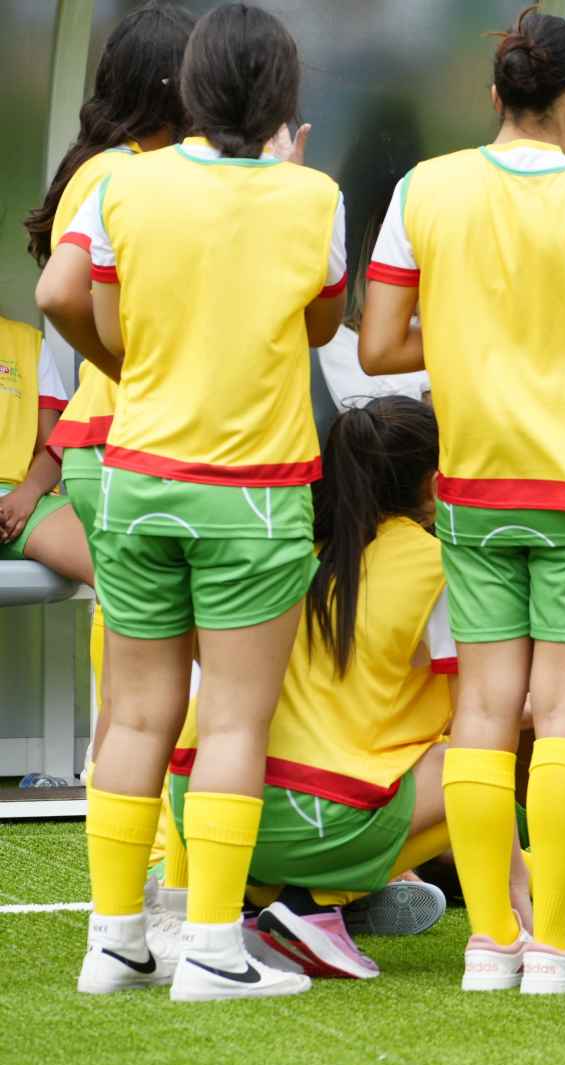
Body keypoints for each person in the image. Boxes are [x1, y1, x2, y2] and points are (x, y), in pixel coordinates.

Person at [37, 2, 345, 1001]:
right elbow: (322, 322)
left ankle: (113, 943)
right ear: (283, 100)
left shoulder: (124, 182)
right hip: (252, 494)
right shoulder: (313, 196)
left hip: (133, 480)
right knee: (233, 724)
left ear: (194, 86)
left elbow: (59, 294)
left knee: (133, 716)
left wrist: (120, 365)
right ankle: (213, 948)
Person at [359, 5, 565, 995]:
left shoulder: (424, 188)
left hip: (475, 482)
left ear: (496, 97)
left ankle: (490, 943)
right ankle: (555, 945)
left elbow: (379, 346)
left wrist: (467, 341)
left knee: (481, 714)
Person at [164, 398, 458, 980]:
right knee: (475, 765)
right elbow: (485, 713)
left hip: (206, 811)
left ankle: (260, 903)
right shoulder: (438, 562)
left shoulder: (294, 549)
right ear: (432, 481)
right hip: (318, 817)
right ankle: (315, 906)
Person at [27, 0, 195, 957]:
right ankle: (146, 905)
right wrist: (137, 365)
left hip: (118, 442)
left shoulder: (111, 169)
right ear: (173, 82)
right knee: (143, 691)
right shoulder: (129, 175)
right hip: (129, 439)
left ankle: (139, 905)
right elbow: (82, 304)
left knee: (135, 686)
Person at [0, 315, 82, 583]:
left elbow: (52, 449)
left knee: (112, 557)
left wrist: (28, 494)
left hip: (17, 501)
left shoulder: (27, 341)